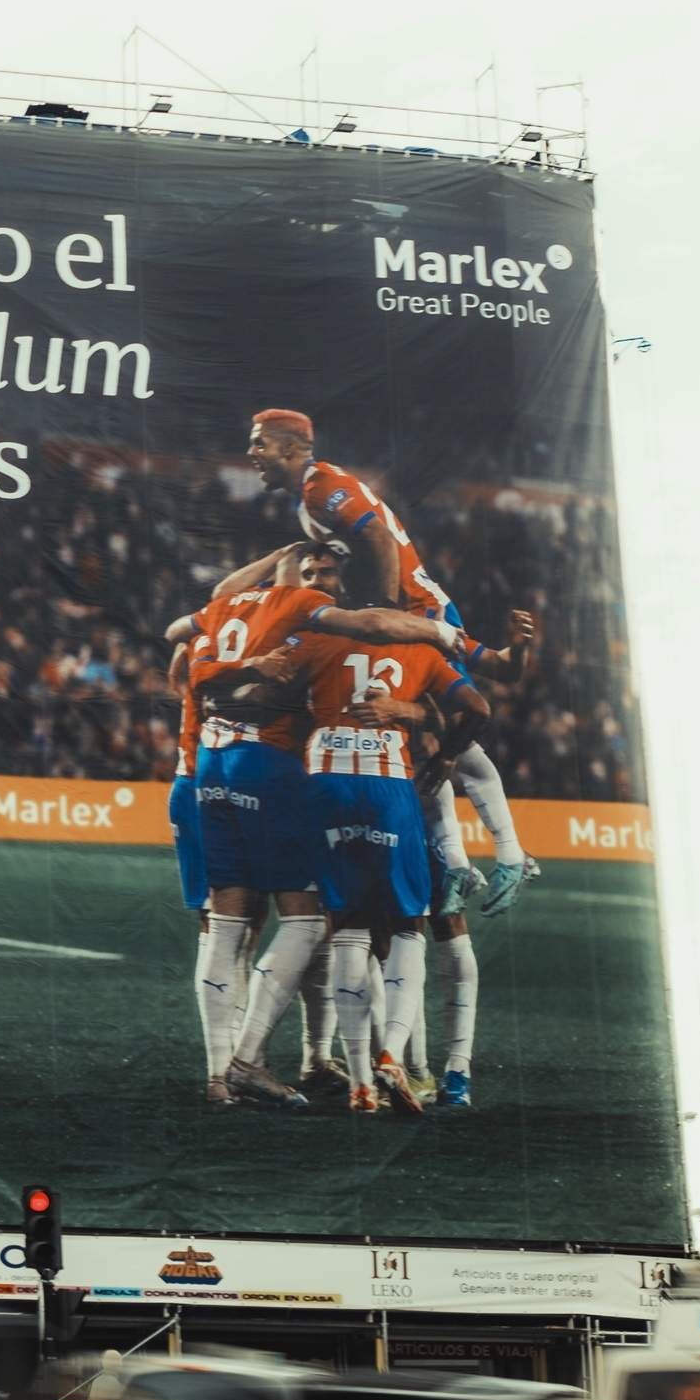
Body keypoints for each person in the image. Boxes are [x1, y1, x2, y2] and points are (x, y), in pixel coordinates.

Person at [170, 544, 470, 1110]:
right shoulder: (306, 619)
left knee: (236, 920)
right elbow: (379, 632)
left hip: (205, 768)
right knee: (315, 918)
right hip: (276, 770)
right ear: (291, 577)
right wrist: (441, 638)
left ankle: (276, 1064)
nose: (317, 580)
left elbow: (178, 653)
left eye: (325, 570)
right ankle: (253, 1059)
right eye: (307, 571)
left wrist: (236, 677)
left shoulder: (227, 611)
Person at [242, 407, 537, 920]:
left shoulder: (321, 488)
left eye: (260, 444)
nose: (252, 454)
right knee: (420, 747)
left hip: (418, 615)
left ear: (291, 448)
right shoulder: (309, 500)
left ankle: (511, 854)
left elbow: (377, 535)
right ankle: (458, 865)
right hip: (406, 614)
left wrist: (380, 610)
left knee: (452, 734)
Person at [256, 621, 491, 1113]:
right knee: (410, 927)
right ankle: (398, 1058)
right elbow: (476, 709)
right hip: (391, 784)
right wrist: (437, 745)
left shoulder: (318, 632)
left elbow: (265, 688)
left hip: (325, 781)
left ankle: (361, 1083)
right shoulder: (423, 645)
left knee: (346, 926)